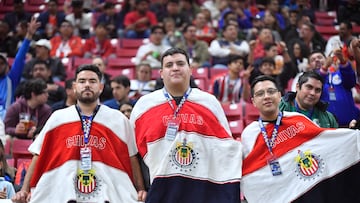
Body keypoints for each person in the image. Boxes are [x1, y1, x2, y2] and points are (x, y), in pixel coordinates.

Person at [12, 64, 146, 202]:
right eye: (82, 81)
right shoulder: (57, 118)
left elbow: (132, 157)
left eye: (92, 81)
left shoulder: (118, 119)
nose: (87, 85)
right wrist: (24, 190)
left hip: (107, 195)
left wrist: (140, 189)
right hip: (66, 194)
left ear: (100, 87)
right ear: (75, 87)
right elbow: (38, 155)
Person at [130, 47, 242, 202]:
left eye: (180, 63)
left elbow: (223, 148)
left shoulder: (209, 103)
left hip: (201, 192)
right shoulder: (144, 105)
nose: (175, 68)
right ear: (161, 73)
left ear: (190, 70)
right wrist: (141, 188)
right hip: (158, 191)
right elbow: (133, 153)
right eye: (169, 65)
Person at [241, 75, 360, 202]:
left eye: (271, 91)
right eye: (260, 94)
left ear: (279, 95)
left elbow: (325, 144)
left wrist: (351, 134)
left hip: (307, 193)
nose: (266, 96)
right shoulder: (250, 134)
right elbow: (251, 174)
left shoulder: (298, 119)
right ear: (253, 101)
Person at [0, 17, 39, 120]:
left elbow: (19, 57)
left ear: (7, 66)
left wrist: (29, 36)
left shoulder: (11, 78)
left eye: (1, 63)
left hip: (5, 118)